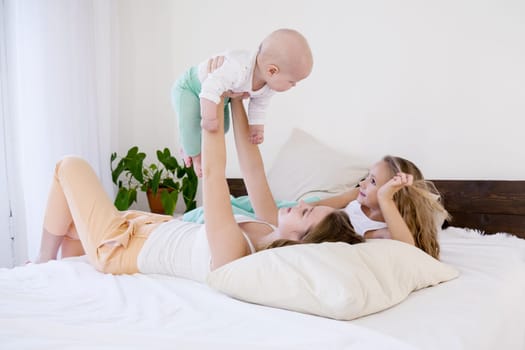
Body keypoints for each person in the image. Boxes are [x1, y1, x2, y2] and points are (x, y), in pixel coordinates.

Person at [34, 96, 363, 281]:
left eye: (304, 213)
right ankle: (57, 268)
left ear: (298, 242)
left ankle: (42, 262)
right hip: (140, 227)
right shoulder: (268, 225)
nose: (298, 205)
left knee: (68, 166)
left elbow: (214, 175)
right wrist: (237, 99)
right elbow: (252, 169)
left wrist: (212, 101)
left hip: (120, 250)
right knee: (70, 227)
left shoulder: (236, 251)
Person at [171, 28, 313, 177]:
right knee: (192, 127)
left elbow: (259, 106)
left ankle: (188, 143)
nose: (294, 85)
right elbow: (210, 87)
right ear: (272, 71)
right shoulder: (238, 67)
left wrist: (257, 128)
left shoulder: (267, 87)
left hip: (220, 96)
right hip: (191, 88)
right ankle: (195, 156)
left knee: (223, 128)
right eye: (292, 81)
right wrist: (209, 118)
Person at [314, 156, 447, 259]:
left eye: (372, 181)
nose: (362, 183)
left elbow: (408, 249)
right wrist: (300, 207)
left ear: (392, 195)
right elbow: (320, 205)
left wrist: (385, 198)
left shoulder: (386, 231)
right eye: (367, 177)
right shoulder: (358, 195)